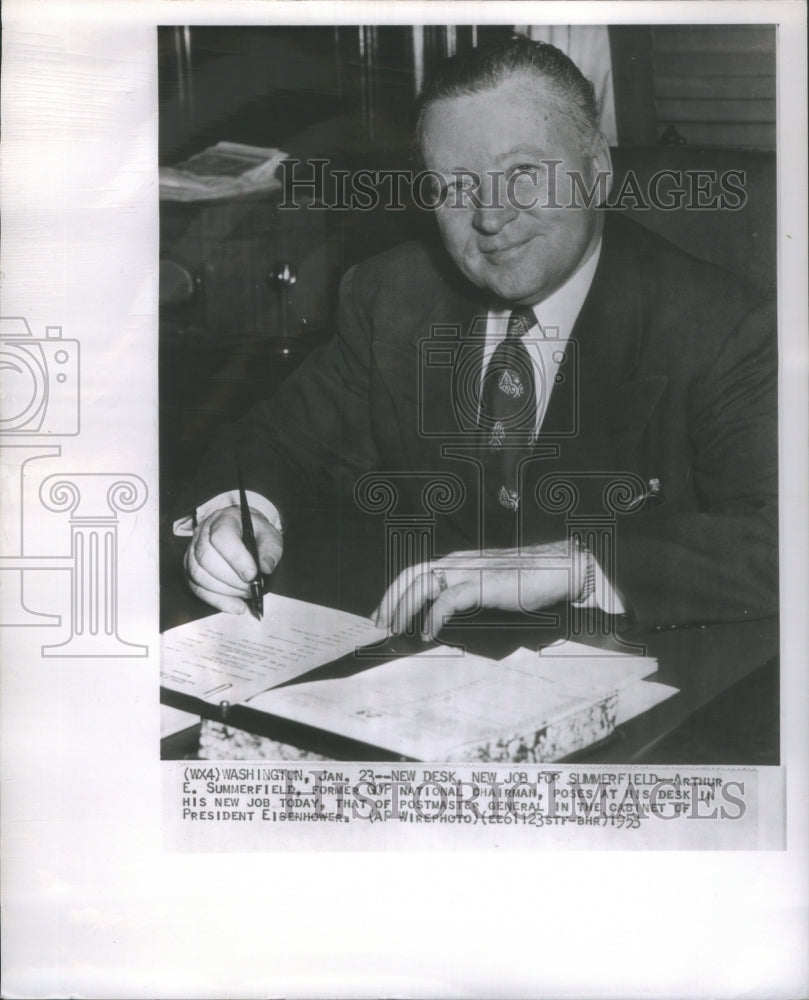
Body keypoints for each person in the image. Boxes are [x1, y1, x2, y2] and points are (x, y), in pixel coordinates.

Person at [175, 37, 777, 640]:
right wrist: (236, 519)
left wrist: (586, 562)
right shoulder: (393, 297)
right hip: (427, 677)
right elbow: (273, 442)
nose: (489, 217)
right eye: (455, 188)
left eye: (520, 175)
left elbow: (782, 537)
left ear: (596, 170)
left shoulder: (720, 325)